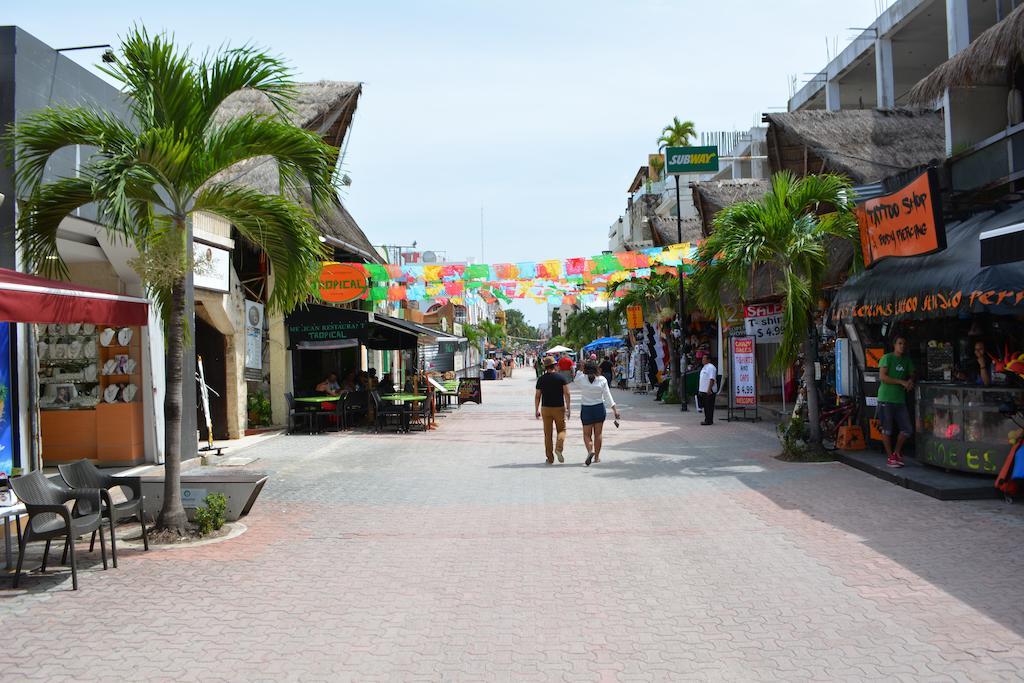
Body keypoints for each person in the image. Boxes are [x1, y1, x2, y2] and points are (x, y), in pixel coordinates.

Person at [878, 335, 916, 468]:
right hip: (886, 398)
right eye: (900, 343)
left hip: (900, 399)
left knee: (907, 429)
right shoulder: (887, 358)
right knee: (887, 429)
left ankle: (896, 452)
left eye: (904, 344)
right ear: (894, 345)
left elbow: (912, 372)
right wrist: (901, 382)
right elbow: (883, 377)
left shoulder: (907, 360)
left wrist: (910, 380)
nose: (902, 346)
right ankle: (890, 457)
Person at [575, 361, 621, 466]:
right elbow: (607, 396)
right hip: (599, 408)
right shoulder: (602, 380)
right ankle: (596, 457)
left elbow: (576, 378)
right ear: (597, 369)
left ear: (585, 370)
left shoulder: (581, 379)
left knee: (587, 434)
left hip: (586, 409)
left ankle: (590, 451)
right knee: (598, 434)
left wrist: (581, 369)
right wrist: (615, 410)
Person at [535, 355, 571, 464]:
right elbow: (567, 393)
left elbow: (537, 396)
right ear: (554, 365)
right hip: (559, 408)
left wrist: (536, 409)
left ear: (545, 367)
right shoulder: (561, 378)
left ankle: (550, 458)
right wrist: (568, 407)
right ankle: (558, 448)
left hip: (545, 408)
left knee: (548, 434)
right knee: (562, 430)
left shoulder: (541, 379)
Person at [698, 354, 718, 425]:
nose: (703, 360)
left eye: (704, 358)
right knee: (706, 407)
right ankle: (707, 419)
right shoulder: (704, 367)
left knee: (709, 406)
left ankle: (709, 421)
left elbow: (712, 379)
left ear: (709, 360)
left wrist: (709, 389)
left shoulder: (711, 367)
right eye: (702, 358)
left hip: (709, 391)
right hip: (703, 391)